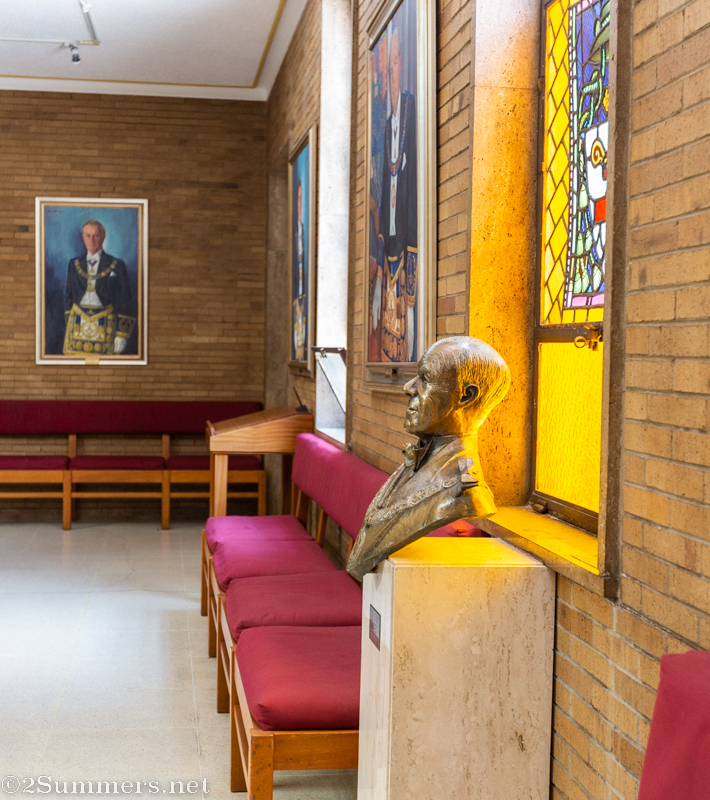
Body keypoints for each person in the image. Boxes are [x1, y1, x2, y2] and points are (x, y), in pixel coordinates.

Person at [347, 336, 511, 580]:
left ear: (465, 396)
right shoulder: (419, 462)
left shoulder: (461, 491)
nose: (409, 387)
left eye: (426, 379)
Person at [371, 23, 418, 363]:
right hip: (389, 241)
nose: (392, 71)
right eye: (388, 66)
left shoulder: (412, 112)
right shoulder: (386, 128)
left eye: (397, 61)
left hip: (406, 239)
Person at [63, 220, 136, 356]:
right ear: (83, 237)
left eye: (96, 235)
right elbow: (69, 296)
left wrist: (121, 334)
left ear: (103, 237)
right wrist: (69, 326)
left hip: (107, 326)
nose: (92, 240)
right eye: (88, 235)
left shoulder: (117, 265)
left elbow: (125, 300)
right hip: (78, 325)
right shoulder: (74, 264)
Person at [292, 181, 307, 361]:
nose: (299, 204)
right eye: (298, 199)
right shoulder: (294, 235)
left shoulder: (304, 232)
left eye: (302, 199)